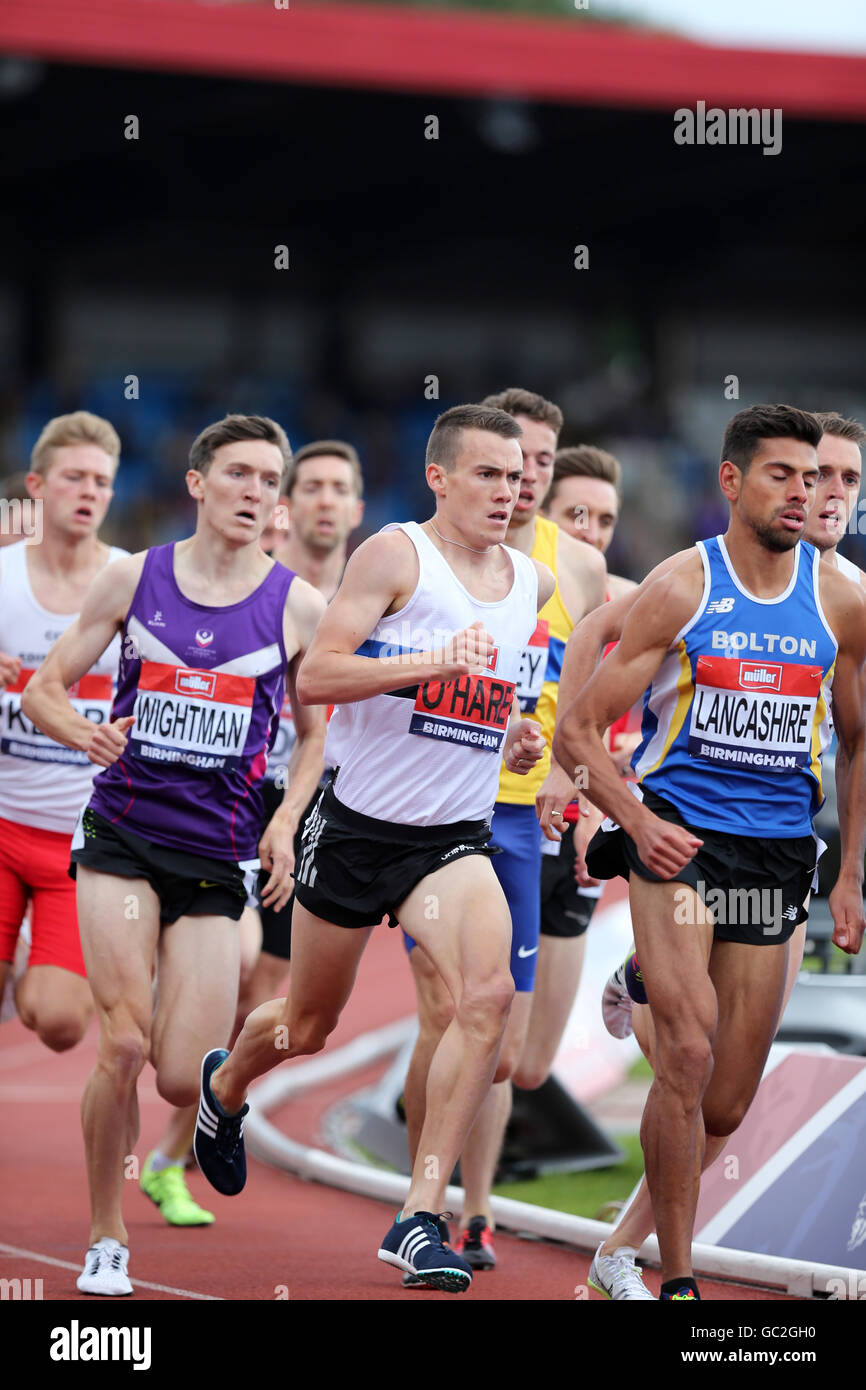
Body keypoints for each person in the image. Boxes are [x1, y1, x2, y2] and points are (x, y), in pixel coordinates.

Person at [193, 403, 554, 1293]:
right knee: (308, 1026)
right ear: (439, 477)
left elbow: (487, 693)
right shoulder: (396, 554)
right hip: (354, 830)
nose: (507, 493)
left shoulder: (531, 583)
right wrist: (431, 665)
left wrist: (509, 734)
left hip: (451, 844)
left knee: (488, 996)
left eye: (515, 478)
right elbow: (316, 674)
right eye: (487, 475)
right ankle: (227, 1083)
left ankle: (418, 1216)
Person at [553, 404, 866, 1301]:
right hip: (680, 841)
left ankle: (637, 993)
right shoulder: (683, 585)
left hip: (776, 857)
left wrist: (847, 875)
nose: (803, 493)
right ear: (731, 482)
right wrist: (631, 819)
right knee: (686, 1062)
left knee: (726, 1101)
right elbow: (579, 725)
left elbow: (857, 740)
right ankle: (673, 1277)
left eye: (814, 477)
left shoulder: (841, 600)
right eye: (782, 475)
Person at [22, 414, 327, 1296]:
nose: (254, 493)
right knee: (119, 1045)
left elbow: (316, 739)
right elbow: (44, 689)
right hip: (120, 838)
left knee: (172, 1077)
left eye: (269, 480)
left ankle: (219, 1100)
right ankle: (106, 1238)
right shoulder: (135, 577)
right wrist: (87, 732)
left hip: (216, 854)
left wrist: (285, 822)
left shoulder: (296, 604)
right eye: (237, 475)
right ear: (197, 483)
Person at [399, 390, 606, 1276]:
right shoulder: (427, 555)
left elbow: (589, 698)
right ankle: (425, 1206)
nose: (523, 479)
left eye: (540, 465)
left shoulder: (579, 570)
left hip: (522, 814)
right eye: (508, 460)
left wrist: (581, 779)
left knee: (506, 1049)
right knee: (450, 1011)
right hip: (435, 811)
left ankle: (467, 1202)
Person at [139, 440, 366, 1229]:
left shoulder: (373, 595)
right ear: (284, 506)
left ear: (359, 509)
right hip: (227, 804)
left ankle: (176, 1148)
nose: (326, 502)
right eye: (311, 488)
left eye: (342, 489)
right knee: (233, 963)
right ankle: (166, 1004)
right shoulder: (248, 576)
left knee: (262, 990)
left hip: (317, 812)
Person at [0, 412, 127, 1051]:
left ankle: (30, 963)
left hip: (75, 840)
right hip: (0, 818)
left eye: (102, 481)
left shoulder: (133, 583)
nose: (89, 492)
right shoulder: (1, 576)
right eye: (73, 477)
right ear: (37, 486)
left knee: (57, 1024)